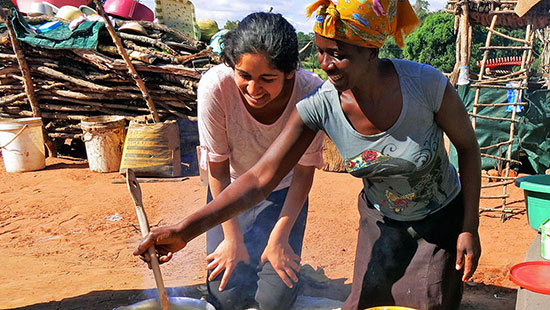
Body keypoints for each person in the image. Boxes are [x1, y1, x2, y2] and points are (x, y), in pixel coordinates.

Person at [134, 1, 482, 309]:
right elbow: (259, 178)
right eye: (320, 51)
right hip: (380, 221)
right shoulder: (320, 106)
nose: (326, 64)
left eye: (338, 53)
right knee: (365, 302)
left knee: (426, 302)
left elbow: (467, 149)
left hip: (440, 219)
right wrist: (185, 229)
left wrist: (469, 227)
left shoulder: (426, 85)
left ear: (371, 50)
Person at [196, 12, 325, 310]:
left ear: (290, 71)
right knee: (225, 298)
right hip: (229, 193)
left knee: (273, 301)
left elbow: (304, 173)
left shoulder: (311, 92)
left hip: (284, 196)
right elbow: (217, 169)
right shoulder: (215, 87)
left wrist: (279, 238)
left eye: (267, 79)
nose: (254, 90)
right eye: (245, 76)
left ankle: (285, 269)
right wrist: (231, 239)